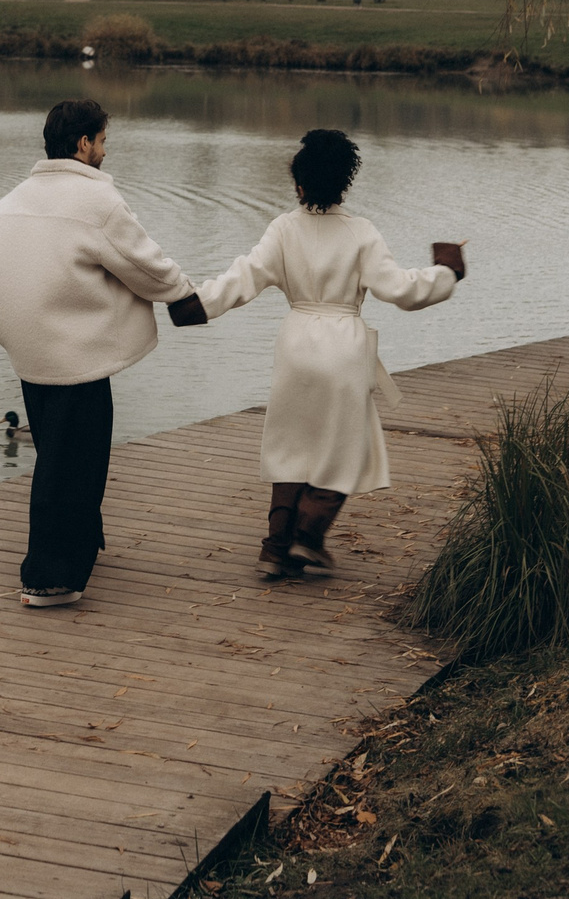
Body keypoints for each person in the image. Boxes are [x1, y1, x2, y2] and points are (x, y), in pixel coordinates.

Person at [196, 128, 467, 580]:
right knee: (345, 447)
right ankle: (308, 536)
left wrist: (195, 304)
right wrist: (447, 270)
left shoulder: (282, 229)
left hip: (296, 344)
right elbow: (401, 290)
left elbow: (242, 278)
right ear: (345, 182)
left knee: (291, 444)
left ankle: (275, 547)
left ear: (299, 184)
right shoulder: (361, 233)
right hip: (343, 346)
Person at [0, 98, 207, 608]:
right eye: (102, 141)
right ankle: (50, 577)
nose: (105, 151)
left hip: (28, 347)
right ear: (83, 143)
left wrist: (21, 319)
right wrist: (185, 293)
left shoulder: (9, 201)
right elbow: (143, 265)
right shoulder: (96, 203)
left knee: (58, 449)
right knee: (75, 460)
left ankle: (85, 540)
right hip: (74, 352)